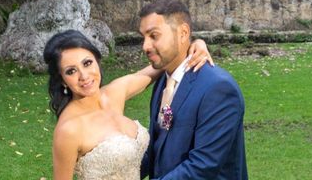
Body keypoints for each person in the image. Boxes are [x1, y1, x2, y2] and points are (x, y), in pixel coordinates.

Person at [43, 29, 213, 180]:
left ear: (97, 60)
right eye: (71, 71)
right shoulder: (69, 129)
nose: (84, 76)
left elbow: (162, 64)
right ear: (62, 80)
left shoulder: (115, 92)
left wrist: (195, 45)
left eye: (87, 63)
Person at [139, 0, 248, 179]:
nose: (145, 46)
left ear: (183, 33)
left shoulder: (218, 88)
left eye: (154, 36)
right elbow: (157, 147)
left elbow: (203, 166)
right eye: (142, 37)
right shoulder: (161, 81)